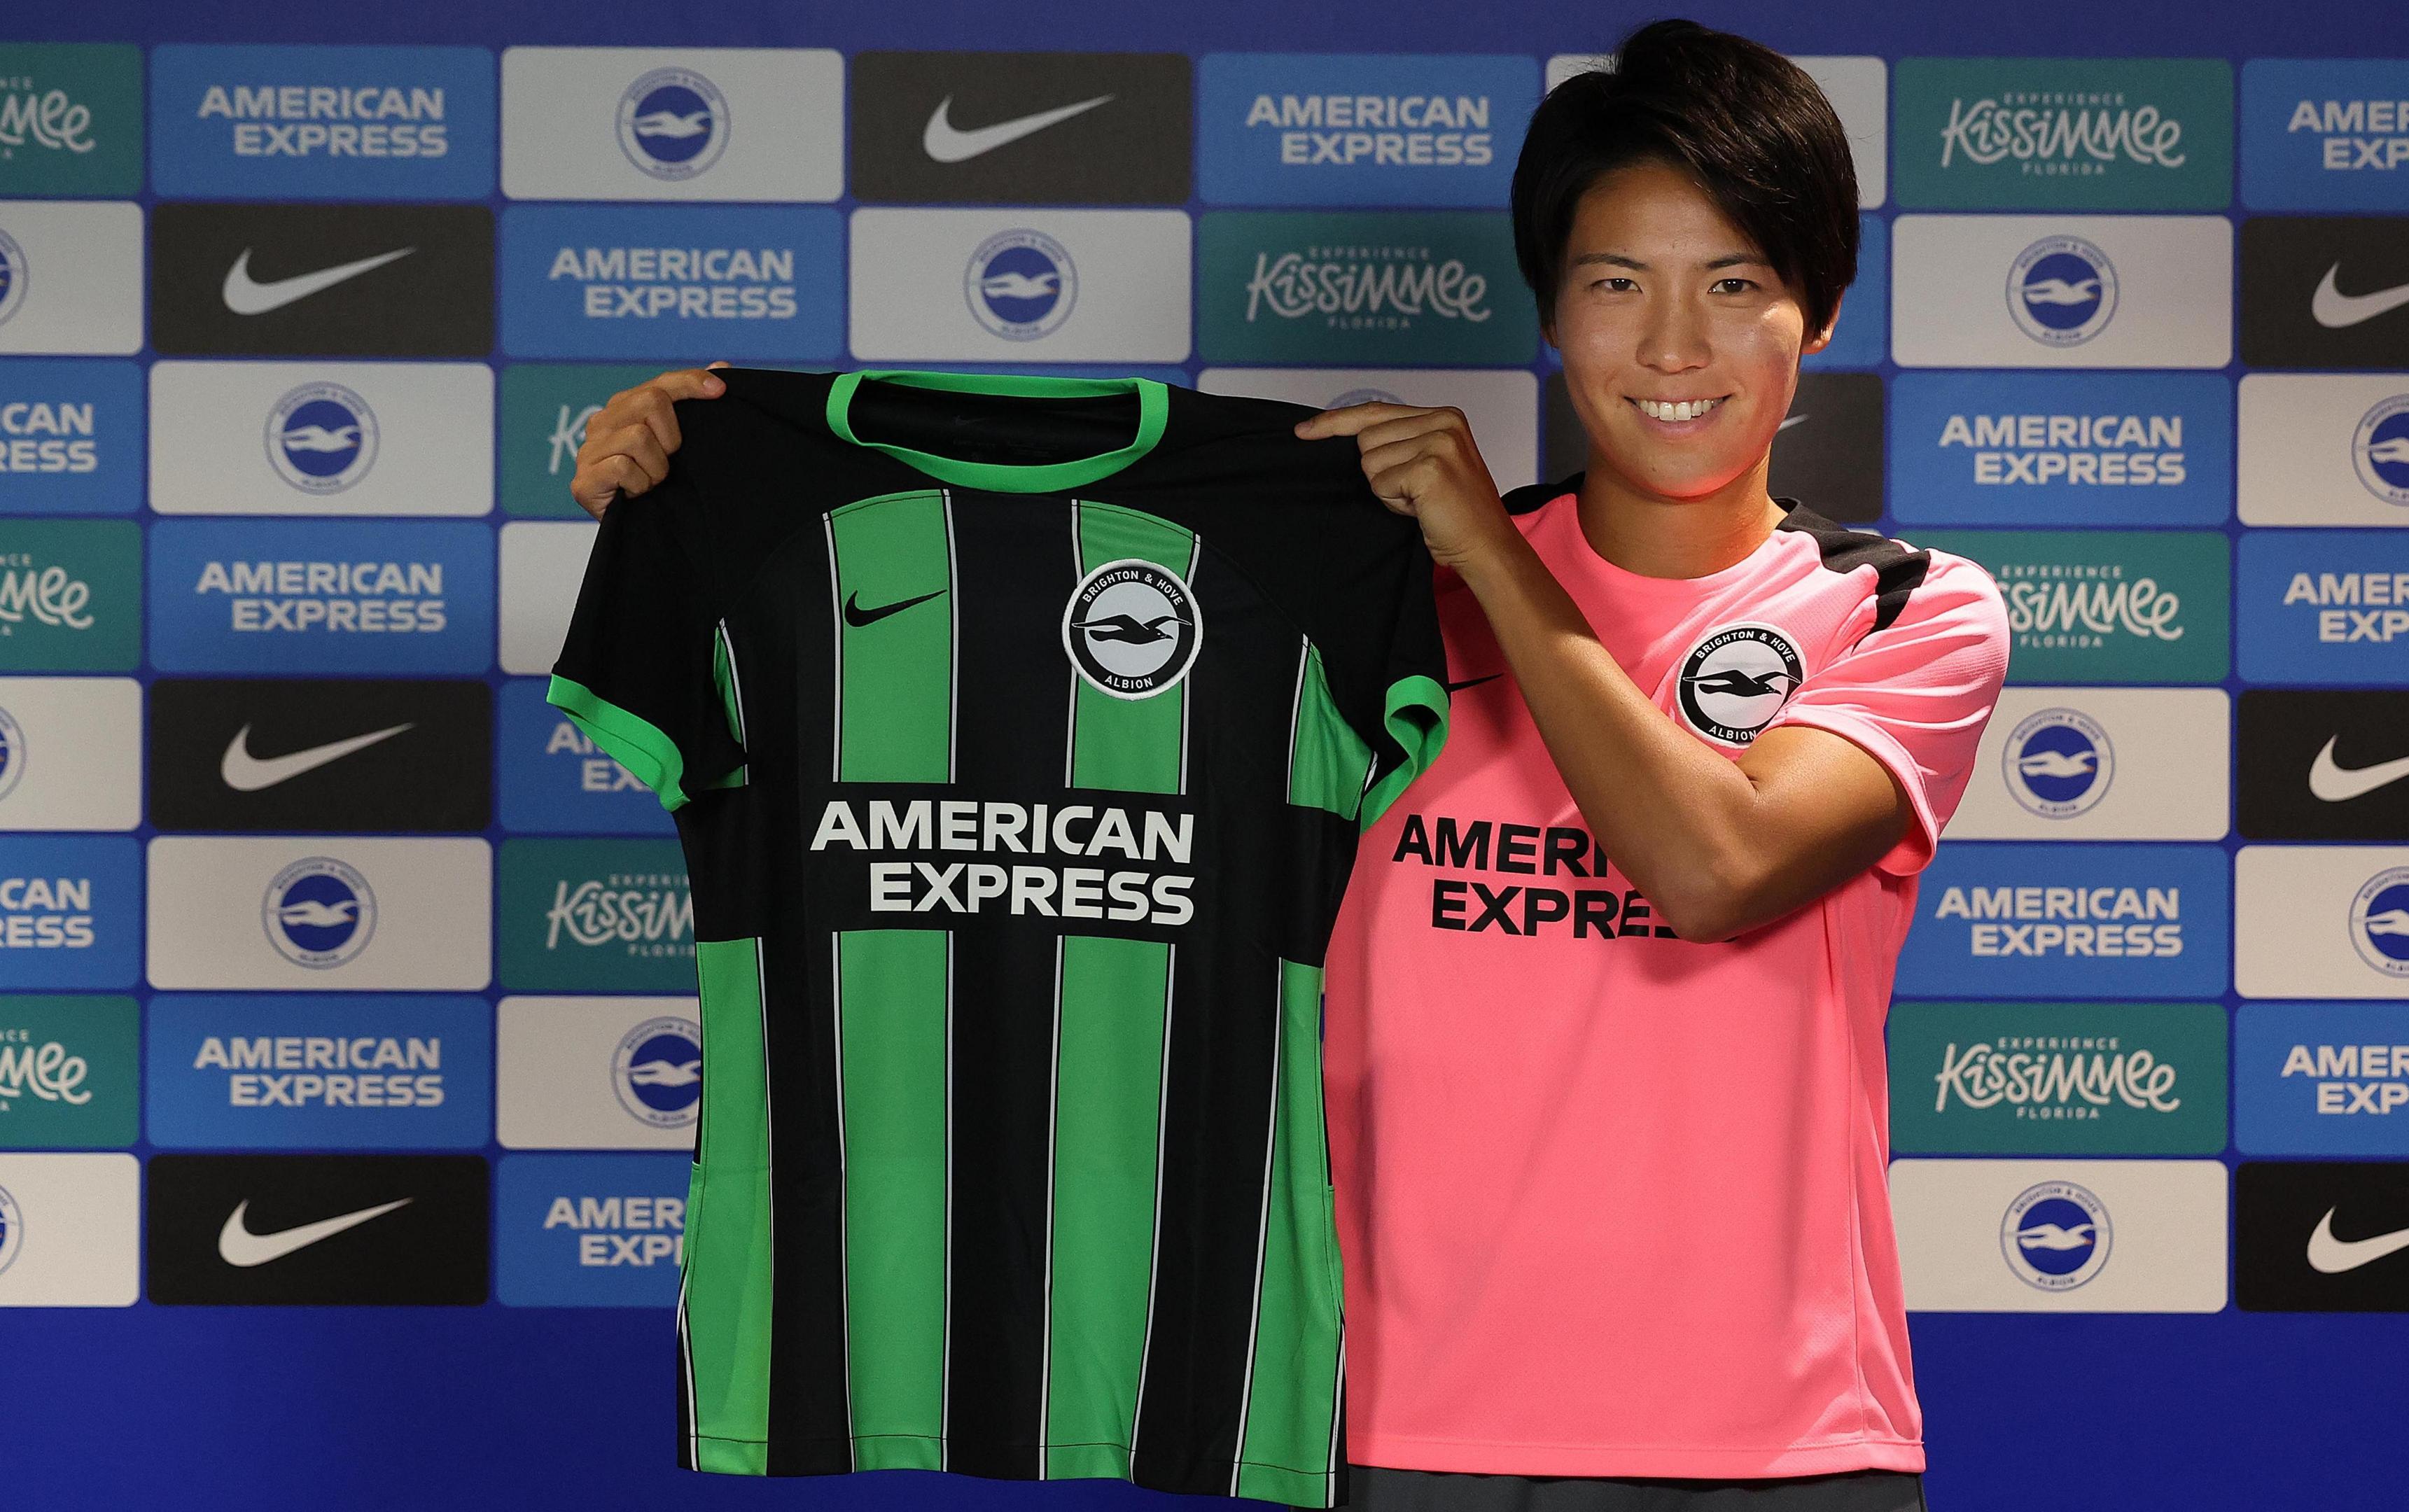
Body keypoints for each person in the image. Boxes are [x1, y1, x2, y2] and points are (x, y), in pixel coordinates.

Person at [568, 22, 2007, 1512]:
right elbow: (1034, 730)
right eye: (1613, 284)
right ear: (1551, 309)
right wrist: (706, 490)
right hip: (1377, 1422)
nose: (1670, 348)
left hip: (1776, 1446)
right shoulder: (1363, 600)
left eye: (1735, 287)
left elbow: (1717, 867)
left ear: (1818, 310)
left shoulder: (1905, 610)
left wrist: (1493, 561)